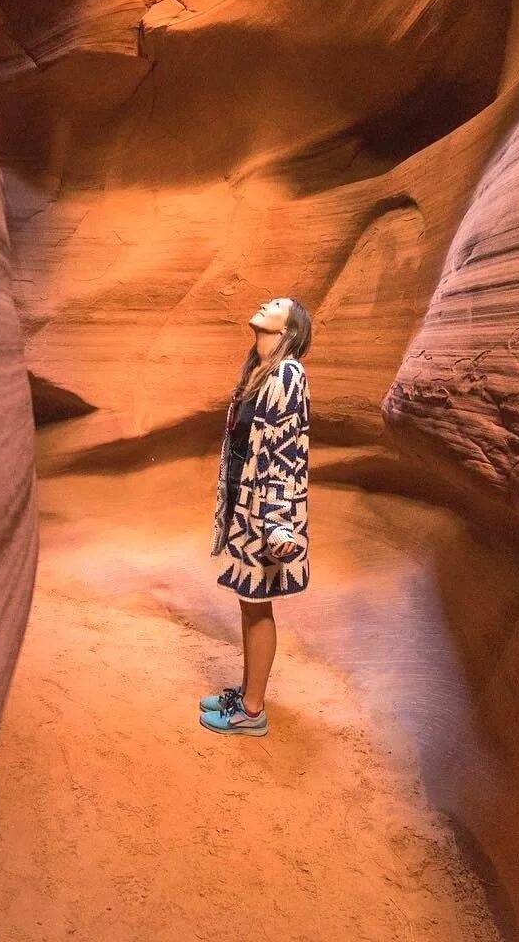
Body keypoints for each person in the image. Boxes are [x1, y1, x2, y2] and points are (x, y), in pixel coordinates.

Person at [200, 296, 312, 736]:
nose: (267, 303)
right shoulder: (258, 371)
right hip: (247, 508)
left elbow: (288, 451)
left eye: (277, 305)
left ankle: (252, 712)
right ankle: (248, 692)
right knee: (250, 604)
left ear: (287, 331)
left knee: (257, 606)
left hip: (266, 515)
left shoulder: (288, 374)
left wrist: (278, 521)